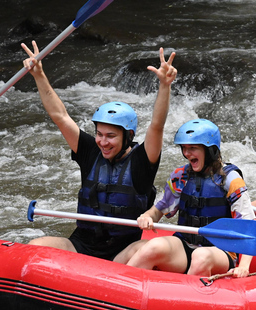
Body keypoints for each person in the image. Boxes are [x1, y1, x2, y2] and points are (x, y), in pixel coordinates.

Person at [21, 41, 177, 260]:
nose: (103, 142)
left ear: (128, 137)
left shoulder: (142, 161)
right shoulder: (90, 152)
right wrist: (39, 74)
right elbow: (60, 116)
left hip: (123, 252)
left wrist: (164, 86)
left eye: (111, 136)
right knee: (36, 246)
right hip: (81, 244)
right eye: (99, 134)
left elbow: (157, 126)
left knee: (144, 250)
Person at [123, 119, 256, 278]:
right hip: (185, 245)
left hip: (220, 252)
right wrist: (147, 216)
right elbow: (158, 210)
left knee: (201, 256)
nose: (187, 154)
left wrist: (243, 266)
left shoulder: (231, 179)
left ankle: (184, 298)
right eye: (184, 148)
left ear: (211, 151)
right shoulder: (181, 176)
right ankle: (119, 291)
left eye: (193, 148)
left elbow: (249, 226)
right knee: (152, 247)